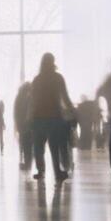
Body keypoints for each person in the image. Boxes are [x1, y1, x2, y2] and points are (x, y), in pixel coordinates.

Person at [29, 52, 74, 181]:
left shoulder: (37, 80)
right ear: (53, 61)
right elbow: (65, 97)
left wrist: (29, 117)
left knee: (38, 146)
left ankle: (40, 171)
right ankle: (57, 172)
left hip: (38, 118)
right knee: (54, 147)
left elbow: (33, 100)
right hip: (54, 117)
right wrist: (72, 110)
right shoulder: (58, 78)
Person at [13, 80, 32, 171]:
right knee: (28, 143)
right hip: (28, 125)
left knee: (24, 143)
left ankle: (26, 161)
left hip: (22, 125)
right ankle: (28, 162)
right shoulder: (31, 97)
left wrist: (17, 124)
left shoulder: (18, 98)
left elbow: (15, 112)